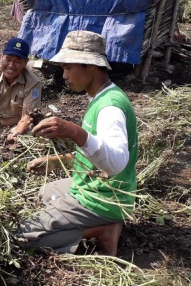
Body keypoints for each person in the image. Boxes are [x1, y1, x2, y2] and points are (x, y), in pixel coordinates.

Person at [20, 30, 138, 257]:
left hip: (102, 198)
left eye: (68, 67)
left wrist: (73, 132)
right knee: (47, 192)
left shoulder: (109, 107)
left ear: (91, 66)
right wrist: (54, 161)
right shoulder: (100, 97)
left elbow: (116, 163)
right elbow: (95, 153)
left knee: (20, 236)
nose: (64, 75)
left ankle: (100, 228)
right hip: (100, 188)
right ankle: (101, 223)